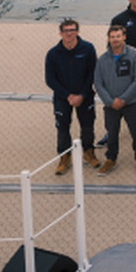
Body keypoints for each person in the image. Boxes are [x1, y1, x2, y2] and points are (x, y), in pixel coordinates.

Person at [45, 19, 99, 175]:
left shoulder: (88, 49)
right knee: (62, 128)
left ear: (78, 31)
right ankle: (64, 157)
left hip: (85, 96)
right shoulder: (53, 54)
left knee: (87, 126)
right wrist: (68, 96)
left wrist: (82, 94)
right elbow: (50, 79)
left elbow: (92, 73)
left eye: (72, 30)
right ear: (60, 33)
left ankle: (89, 153)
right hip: (63, 98)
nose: (69, 33)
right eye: (66, 30)